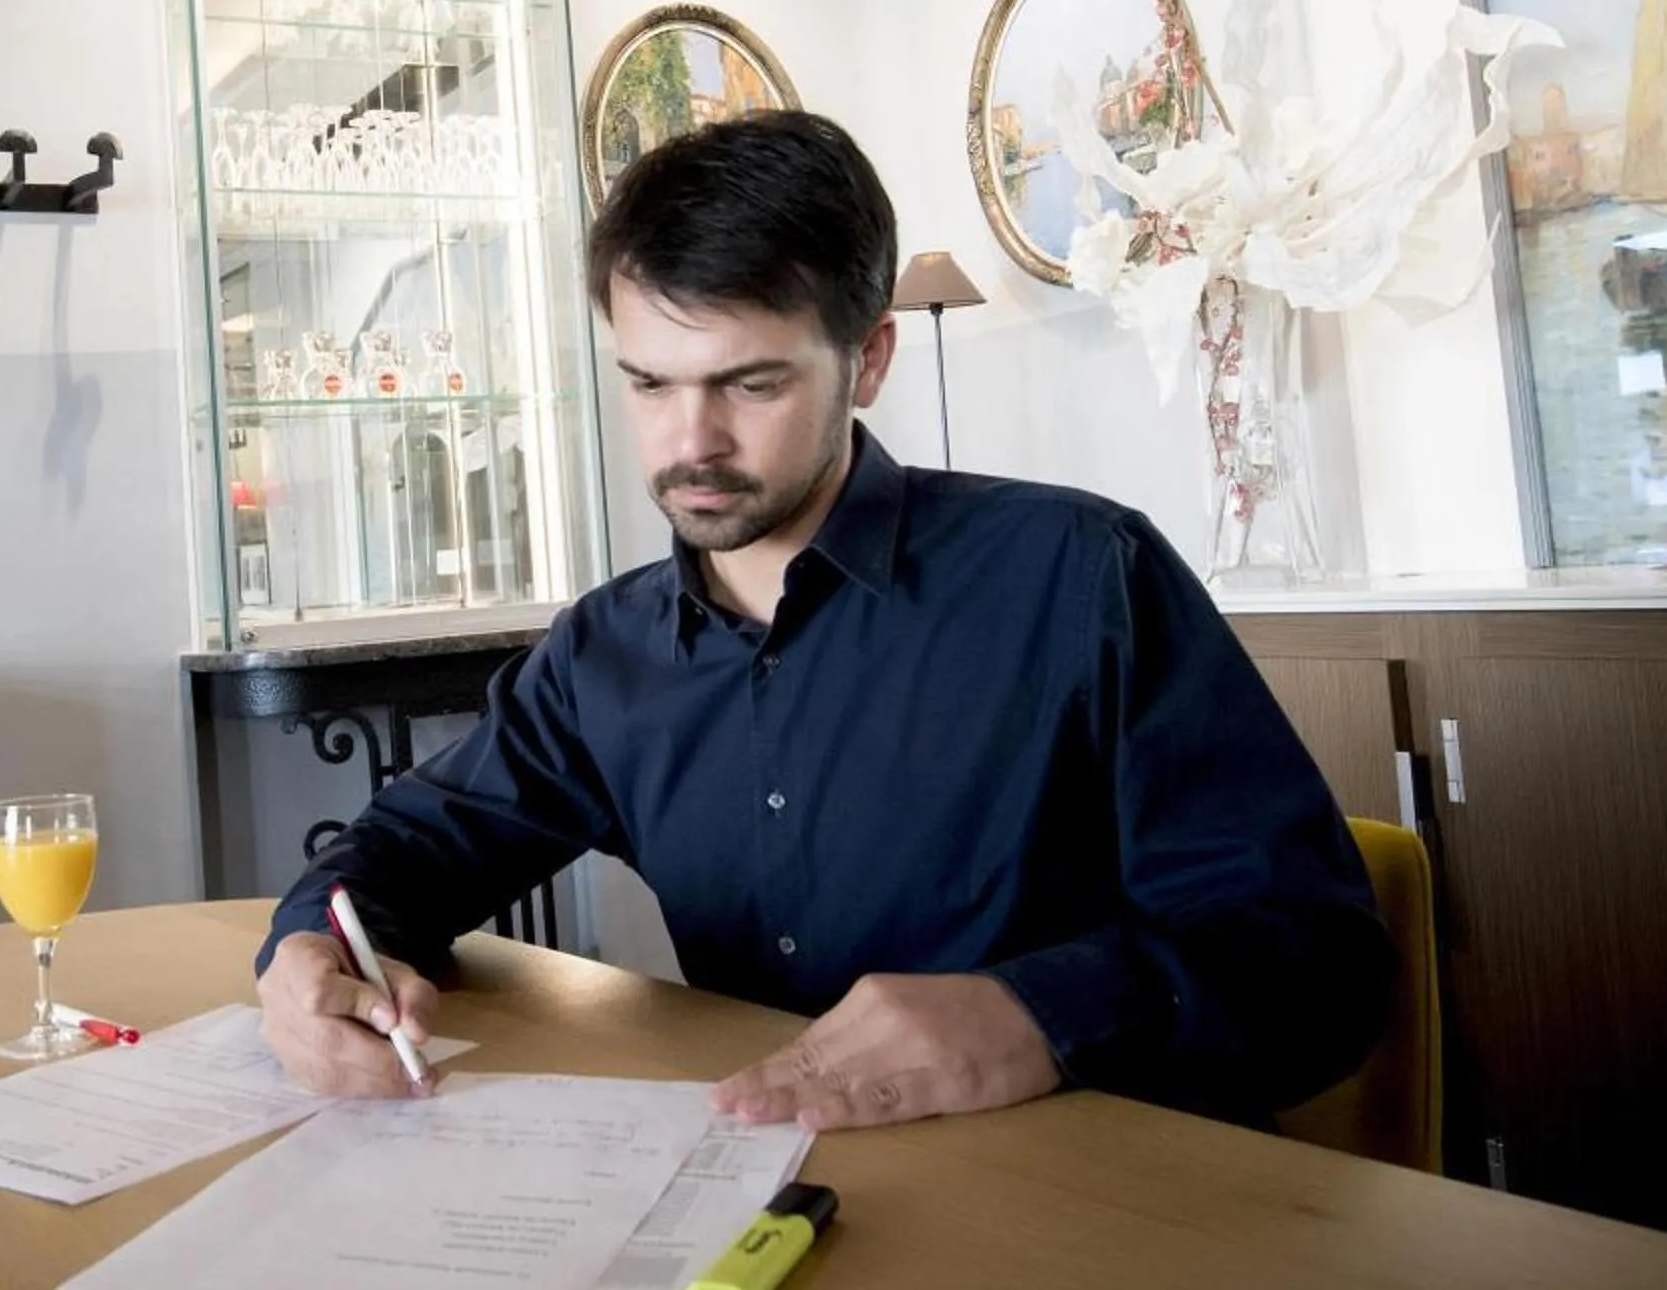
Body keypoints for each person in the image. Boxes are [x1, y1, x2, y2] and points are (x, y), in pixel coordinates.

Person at [257, 111, 1393, 1132]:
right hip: (775, 1200)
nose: (687, 443)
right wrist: (310, 951)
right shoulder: (604, 656)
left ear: (869, 360)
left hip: (1107, 1222)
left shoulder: (1080, 579)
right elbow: (402, 852)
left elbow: (1322, 965)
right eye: (649, 384)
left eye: (750, 385)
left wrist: (1034, 1015)